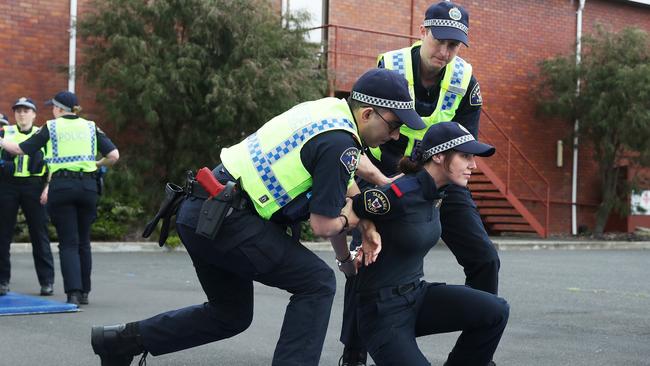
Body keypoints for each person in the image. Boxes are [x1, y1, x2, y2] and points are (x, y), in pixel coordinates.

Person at [88, 68, 426, 366]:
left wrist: (350, 251)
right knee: (317, 284)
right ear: (367, 114)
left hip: (199, 212)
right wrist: (352, 220)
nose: (395, 136)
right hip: (230, 219)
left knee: (230, 314)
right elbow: (325, 223)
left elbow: (345, 177)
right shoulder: (341, 145)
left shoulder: (327, 111)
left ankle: (119, 342)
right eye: (394, 126)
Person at [340, 2, 500, 364]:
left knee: (485, 258)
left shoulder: (466, 81)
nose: (445, 52)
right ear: (423, 32)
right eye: (440, 40)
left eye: (454, 45)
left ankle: (478, 346)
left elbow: (464, 142)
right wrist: (392, 182)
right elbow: (375, 133)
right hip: (388, 173)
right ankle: (354, 351)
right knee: (366, 258)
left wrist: (434, 182)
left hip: (441, 179)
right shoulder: (390, 67)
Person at [350, 121, 509, 366]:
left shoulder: (437, 193)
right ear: (438, 156)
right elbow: (354, 205)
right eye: (465, 156)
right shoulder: (401, 193)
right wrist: (365, 233)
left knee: (496, 311)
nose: (473, 165)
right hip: (382, 313)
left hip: (417, 296)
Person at [0, 91, 120, 305]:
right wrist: (97, 165)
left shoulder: (52, 127)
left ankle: (72, 292)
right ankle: (85, 292)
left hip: (62, 186)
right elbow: (114, 156)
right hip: (88, 186)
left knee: (68, 243)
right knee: (84, 241)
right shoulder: (91, 126)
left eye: (53, 107)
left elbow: (18, 149)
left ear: (58, 108)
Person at [0, 98, 55, 297]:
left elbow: (52, 164)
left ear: (34, 114)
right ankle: (2, 281)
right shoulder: (6, 132)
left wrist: (48, 188)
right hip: (8, 186)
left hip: (34, 186)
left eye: (26, 110)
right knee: (2, 235)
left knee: (39, 235)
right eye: (18, 111)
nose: (22, 114)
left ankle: (47, 281)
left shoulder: (43, 134)